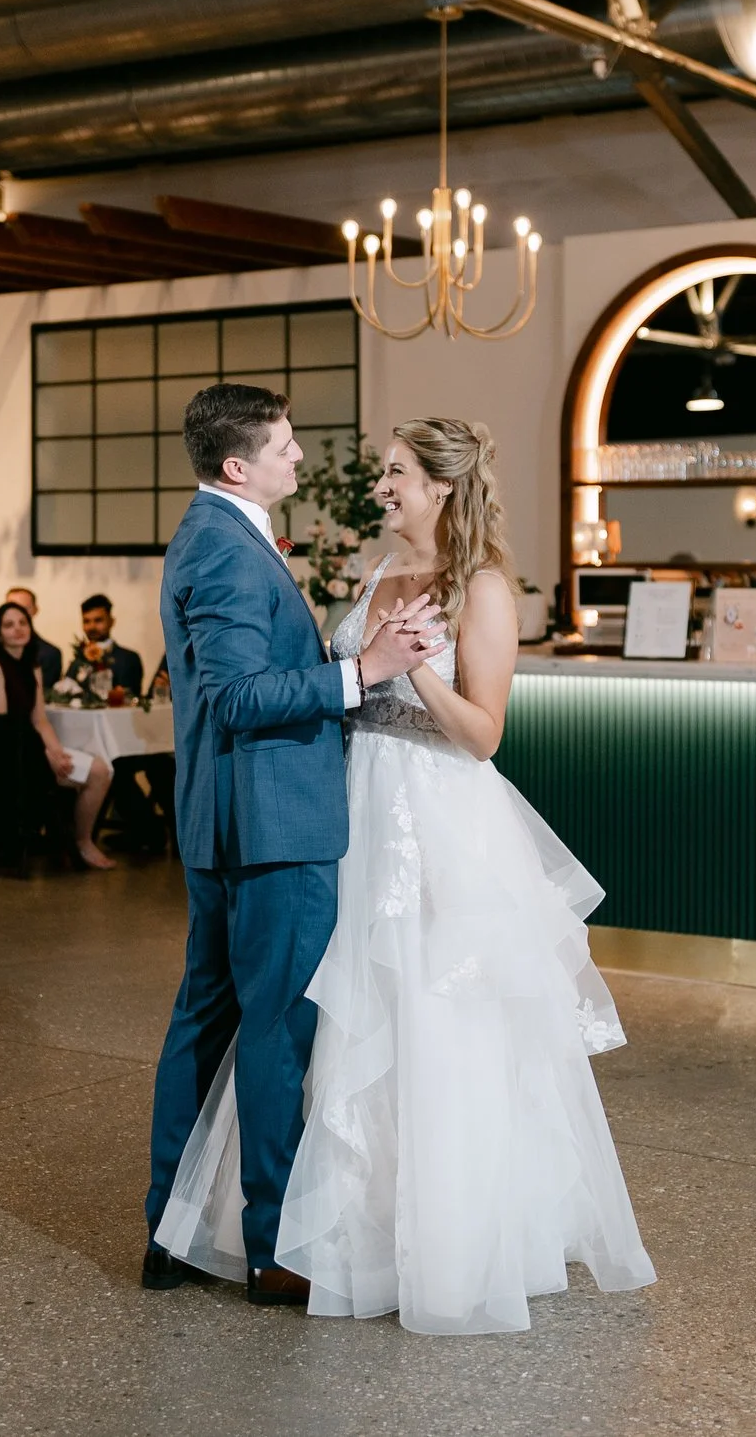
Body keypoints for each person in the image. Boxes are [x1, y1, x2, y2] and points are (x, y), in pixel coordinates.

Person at [154, 417, 656, 1332]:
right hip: (352, 805)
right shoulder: (378, 575)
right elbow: (341, 684)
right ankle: (345, 1224)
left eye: (394, 474)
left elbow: (485, 734)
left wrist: (411, 671)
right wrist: (366, 667)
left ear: (440, 486)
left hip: (437, 818)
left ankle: (443, 1233)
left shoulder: (486, 588)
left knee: (428, 1013)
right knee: (338, 1014)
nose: (378, 486)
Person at [139, 383, 443, 1309]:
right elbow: (234, 697)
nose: (301, 456)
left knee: (208, 1020)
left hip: (227, 819)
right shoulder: (228, 553)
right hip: (274, 828)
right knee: (276, 1029)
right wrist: (366, 672)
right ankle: (271, 1246)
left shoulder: (212, 534)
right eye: (284, 444)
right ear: (239, 465)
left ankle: (172, 1229)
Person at [0, 600, 115, 870]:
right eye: (9, 625)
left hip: (31, 748)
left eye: (22, 623)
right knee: (87, 772)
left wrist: (56, 751)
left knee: (101, 771)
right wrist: (45, 757)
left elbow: (39, 719)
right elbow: (3, 732)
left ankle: (83, 840)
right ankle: (72, 843)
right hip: (6, 758)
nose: (18, 629)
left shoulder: (32, 665)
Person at [73, 594, 146, 695]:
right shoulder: (78, 659)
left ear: (111, 621)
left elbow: (131, 700)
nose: (92, 626)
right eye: (86, 621)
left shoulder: (129, 659)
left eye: (98, 620)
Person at [3, 587, 63, 687]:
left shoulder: (50, 654)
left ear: (35, 610)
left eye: (24, 609)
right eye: (12, 608)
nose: (18, 614)